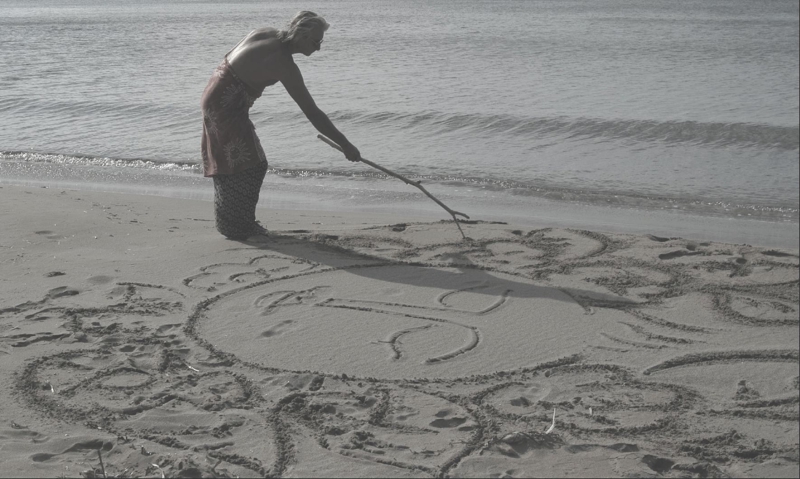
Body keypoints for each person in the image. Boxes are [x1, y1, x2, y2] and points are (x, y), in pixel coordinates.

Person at [200, 11, 361, 241]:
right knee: (249, 163)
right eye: (316, 42)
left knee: (240, 161)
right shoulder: (284, 63)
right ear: (301, 35)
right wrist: (345, 145)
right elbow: (313, 113)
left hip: (214, 94)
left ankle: (234, 222)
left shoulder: (266, 33)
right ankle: (237, 226)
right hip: (225, 105)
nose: (318, 48)